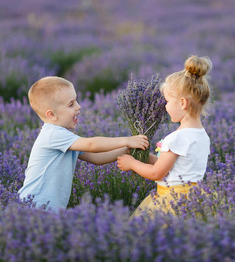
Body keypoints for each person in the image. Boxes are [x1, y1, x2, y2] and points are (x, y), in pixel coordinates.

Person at [18, 76, 149, 212]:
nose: (78, 106)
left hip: (50, 207)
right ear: (51, 115)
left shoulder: (66, 138)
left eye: (76, 101)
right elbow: (91, 145)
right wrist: (127, 140)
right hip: (35, 205)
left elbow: (96, 159)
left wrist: (126, 150)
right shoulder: (53, 134)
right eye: (71, 104)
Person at [117, 55, 212, 218]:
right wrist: (147, 157)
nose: (164, 106)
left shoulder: (176, 138)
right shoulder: (202, 135)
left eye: (167, 101)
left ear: (182, 103)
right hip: (195, 200)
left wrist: (132, 163)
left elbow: (156, 174)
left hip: (171, 202)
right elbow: (174, 167)